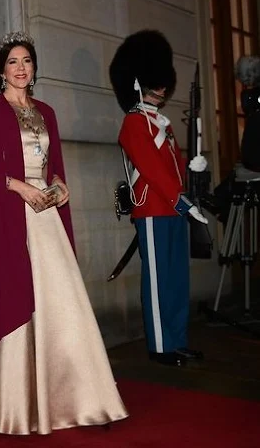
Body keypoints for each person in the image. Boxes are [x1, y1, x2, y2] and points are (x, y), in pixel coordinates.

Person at [0, 31, 128, 434]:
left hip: (46, 217)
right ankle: (9, 404)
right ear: (1, 71)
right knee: (15, 294)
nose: (20, 67)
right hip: (11, 216)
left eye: (26, 61)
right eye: (12, 61)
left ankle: (80, 397)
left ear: (34, 69)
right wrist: (20, 187)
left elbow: (54, 165)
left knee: (63, 301)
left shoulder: (46, 111)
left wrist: (59, 187)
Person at [109, 29, 208, 367]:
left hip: (174, 208)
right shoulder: (134, 123)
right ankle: (160, 345)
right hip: (152, 207)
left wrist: (195, 169)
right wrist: (180, 199)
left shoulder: (161, 123)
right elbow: (151, 169)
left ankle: (177, 339)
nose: (162, 86)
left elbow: (174, 168)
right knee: (158, 280)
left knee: (178, 278)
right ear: (139, 80)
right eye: (155, 78)